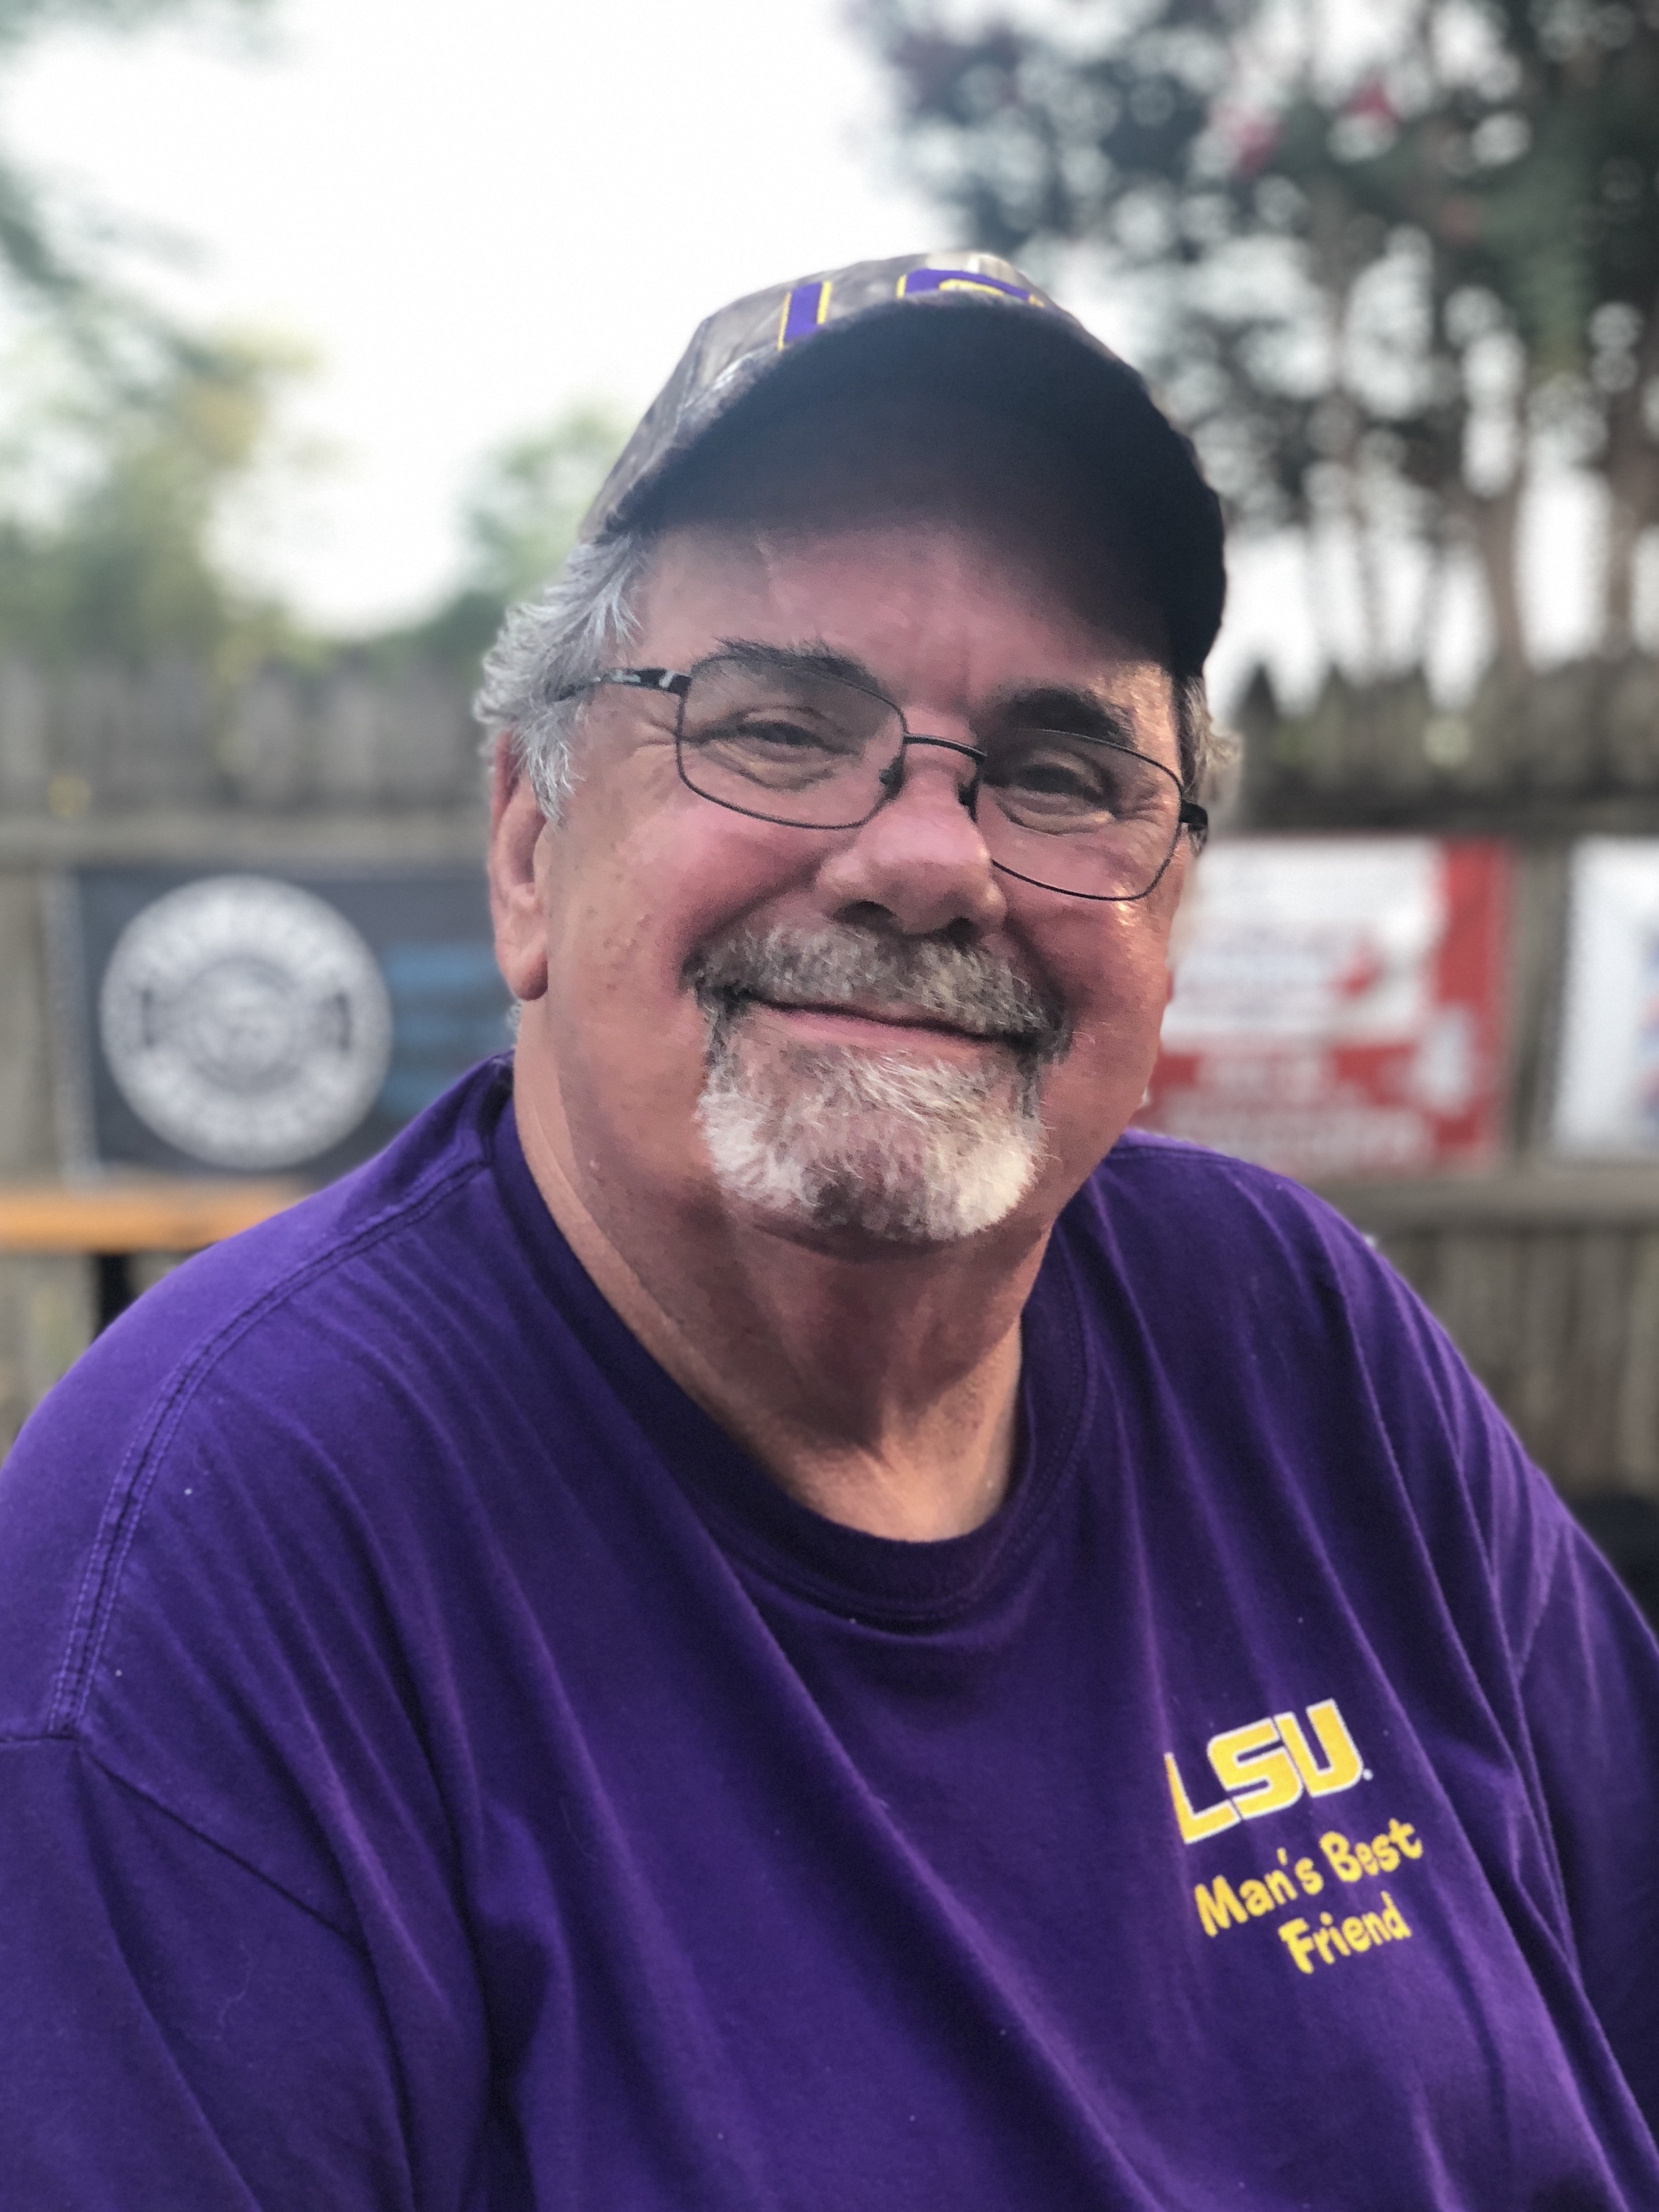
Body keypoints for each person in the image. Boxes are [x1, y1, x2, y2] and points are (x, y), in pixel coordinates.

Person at [2, 251, 1656, 2209]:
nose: (931, 861)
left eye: (1061, 772)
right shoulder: (204, 1561)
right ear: (529, 848)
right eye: (780, 726)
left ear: (1170, 913)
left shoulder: (1296, 1336)